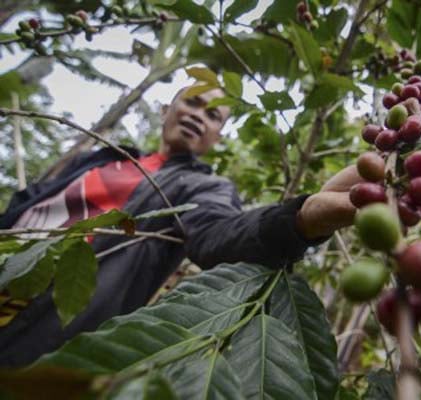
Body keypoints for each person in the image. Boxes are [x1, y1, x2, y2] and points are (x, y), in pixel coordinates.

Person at [0, 85, 362, 367]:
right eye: (191, 103)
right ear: (164, 110)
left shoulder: (203, 188)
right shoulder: (99, 158)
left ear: (217, 136)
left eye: (213, 115)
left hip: (42, 326)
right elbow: (28, 204)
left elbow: (216, 235)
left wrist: (300, 218)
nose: (198, 116)